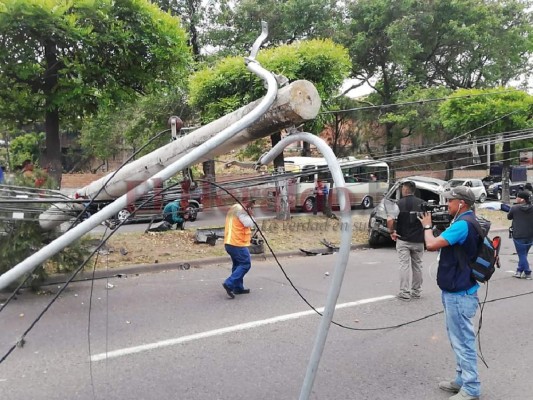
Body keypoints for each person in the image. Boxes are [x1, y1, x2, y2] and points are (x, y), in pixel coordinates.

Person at [418, 186, 481, 400]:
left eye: (450, 201)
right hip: (460, 289)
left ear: (461, 203)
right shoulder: (468, 221)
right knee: (458, 339)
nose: (447, 205)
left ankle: (471, 388)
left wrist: (427, 227)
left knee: (463, 340)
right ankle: (462, 379)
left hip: (460, 293)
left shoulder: (463, 224)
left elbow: (432, 244)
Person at [386, 181, 425, 300]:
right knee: (417, 266)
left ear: (406, 190)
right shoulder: (422, 204)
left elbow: (390, 220)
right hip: (418, 240)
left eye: (403, 189)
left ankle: (404, 292)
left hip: (403, 239)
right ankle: (416, 292)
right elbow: (428, 221)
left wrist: (392, 232)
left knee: (404, 265)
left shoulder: (398, 204)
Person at [222, 198, 256, 299]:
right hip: (237, 243)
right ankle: (229, 283)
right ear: (247, 202)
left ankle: (238, 287)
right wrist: (251, 215)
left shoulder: (234, 208)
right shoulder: (241, 210)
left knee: (237, 264)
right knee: (245, 264)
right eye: (251, 205)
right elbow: (248, 223)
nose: (252, 208)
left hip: (230, 243)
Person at [507, 190, 533, 280]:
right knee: (523, 254)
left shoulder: (515, 208)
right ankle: (518, 271)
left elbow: (509, 217)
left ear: (522, 200)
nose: (516, 198)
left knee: (521, 254)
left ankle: (527, 272)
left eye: (518, 197)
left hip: (519, 235)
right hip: (530, 235)